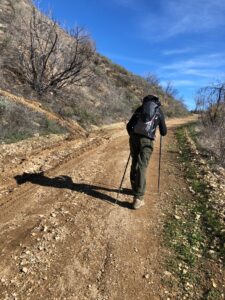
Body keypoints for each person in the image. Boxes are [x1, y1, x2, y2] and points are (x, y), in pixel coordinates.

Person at [126, 94, 167, 209]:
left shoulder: (140, 109)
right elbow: (164, 132)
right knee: (142, 166)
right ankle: (138, 198)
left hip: (134, 138)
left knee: (135, 163)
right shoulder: (158, 111)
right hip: (147, 141)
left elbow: (129, 125)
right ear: (156, 101)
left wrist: (133, 136)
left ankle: (135, 189)